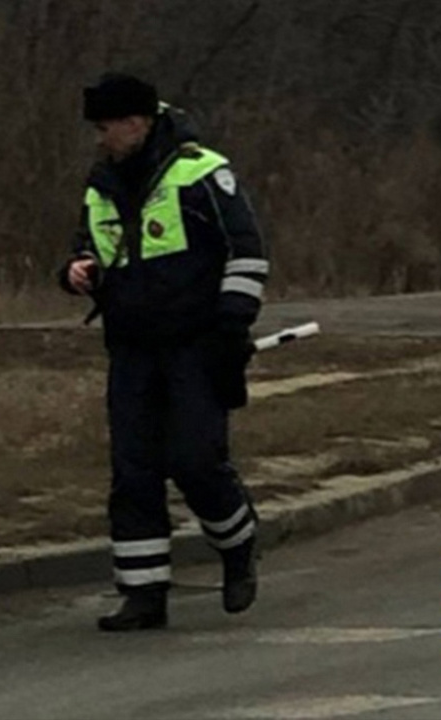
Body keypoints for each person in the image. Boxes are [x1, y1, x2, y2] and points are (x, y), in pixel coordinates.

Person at [59, 73, 270, 631]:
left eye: (106, 128)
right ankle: (143, 593)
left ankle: (238, 544)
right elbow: (89, 246)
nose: (101, 139)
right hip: (131, 347)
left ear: (137, 122)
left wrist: (231, 326)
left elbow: (246, 254)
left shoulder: (202, 173)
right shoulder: (101, 182)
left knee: (196, 461)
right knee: (133, 472)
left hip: (197, 344)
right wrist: (77, 270)